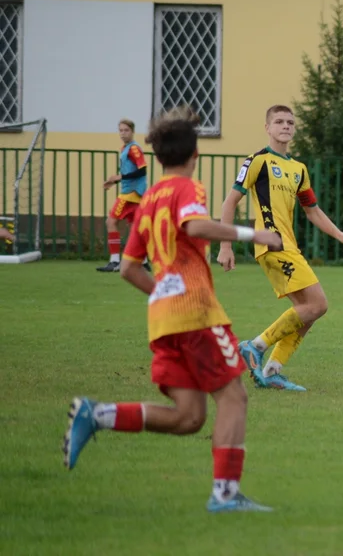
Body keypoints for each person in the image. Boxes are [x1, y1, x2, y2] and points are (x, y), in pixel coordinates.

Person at [62, 106, 280, 512]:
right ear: (195, 155)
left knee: (189, 417)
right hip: (197, 314)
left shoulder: (147, 202)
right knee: (234, 397)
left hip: (164, 321)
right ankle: (226, 495)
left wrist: (162, 293)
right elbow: (195, 226)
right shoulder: (187, 190)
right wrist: (256, 233)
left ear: (157, 157)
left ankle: (99, 414)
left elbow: (128, 268)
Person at [217, 105, 343, 391]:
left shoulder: (299, 169)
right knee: (318, 304)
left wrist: (339, 235)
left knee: (307, 311)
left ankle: (273, 370)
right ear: (267, 128)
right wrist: (226, 246)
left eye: (290, 122)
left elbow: (312, 210)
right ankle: (254, 347)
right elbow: (229, 203)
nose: (285, 126)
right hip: (271, 244)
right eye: (279, 121)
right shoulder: (257, 161)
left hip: (290, 247)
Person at [97, 119, 148, 272]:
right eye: (121, 130)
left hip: (130, 194)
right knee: (134, 227)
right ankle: (143, 262)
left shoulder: (134, 149)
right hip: (133, 192)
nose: (123, 133)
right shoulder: (125, 149)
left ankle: (114, 261)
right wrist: (114, 181)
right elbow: (130, 173)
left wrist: (120, 178)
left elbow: (142, 170)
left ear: (132, 131)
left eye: (126, 130)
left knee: (111, 222)